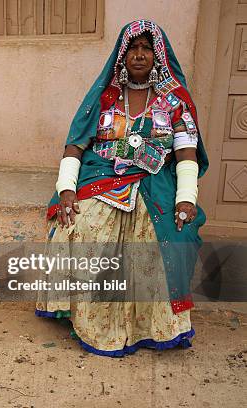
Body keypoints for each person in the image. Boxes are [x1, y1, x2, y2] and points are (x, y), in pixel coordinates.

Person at [36, 20, 209, 357]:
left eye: (146, 48)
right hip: (101, 177)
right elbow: (74, 147)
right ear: (123, 55)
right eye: (133, 48)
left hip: (155, 182)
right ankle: (92, 323)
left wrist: (186, 199)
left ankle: (151, 328)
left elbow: (186, 154)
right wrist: (67, 189)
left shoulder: (175, 101)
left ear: (157, 56)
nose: (140, 55)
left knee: (164, 238)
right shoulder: (105, 98)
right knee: (80, 226)